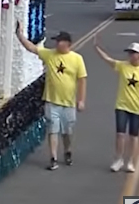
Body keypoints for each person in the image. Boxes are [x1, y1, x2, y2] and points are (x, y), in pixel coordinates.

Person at [16, 26, 87, 171]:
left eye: (60, 41)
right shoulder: (50, 55)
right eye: (57, 41)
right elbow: (32, 48)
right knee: (52, 130)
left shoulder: (77, 59)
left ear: (67, 43)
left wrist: (81, 100)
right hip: (51, 101)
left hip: (68, 103)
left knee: (67, 132)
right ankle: (53, 158)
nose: (57, 44)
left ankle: (67, 150)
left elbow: (82, 80)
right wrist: (20, 35)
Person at [94, 38, 139, 172]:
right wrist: (97, 49)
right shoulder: (123, 65)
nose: (130, 55)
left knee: (134, 136)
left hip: (137, 107)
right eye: (129, 53)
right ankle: (118, 159)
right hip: (122, 105)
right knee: (120, 134)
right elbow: (108, 60)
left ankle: (131, 162)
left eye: (133, 53)